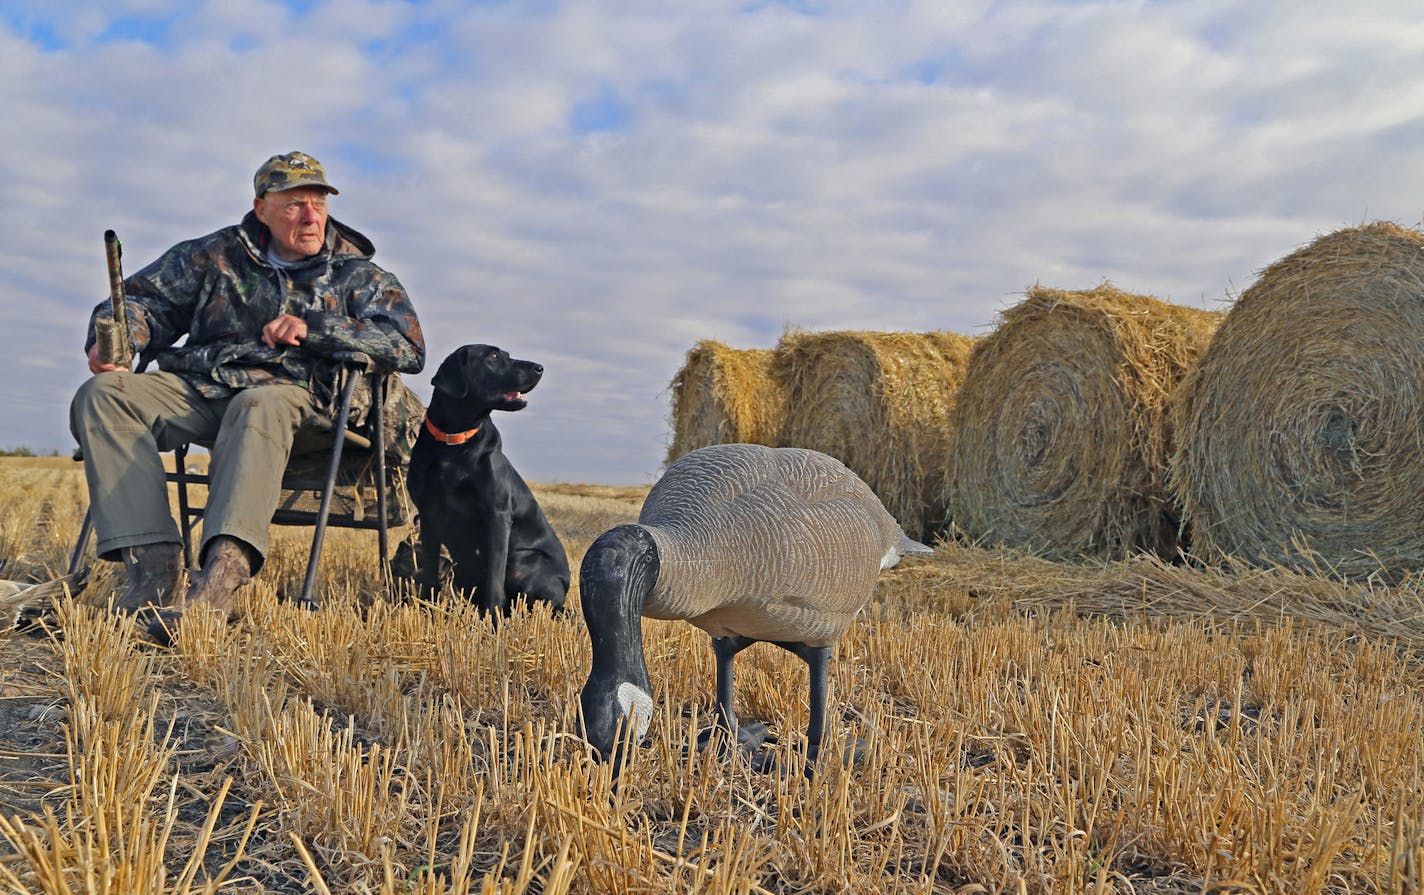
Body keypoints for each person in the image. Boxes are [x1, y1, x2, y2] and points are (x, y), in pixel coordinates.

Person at [71, 150, 425, 638]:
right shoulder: (211, 256)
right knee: (103, 395)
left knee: (257, 402)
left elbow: (407, 345)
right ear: (262, 208)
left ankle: (219, 582)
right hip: (207, 386)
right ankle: (154, 571)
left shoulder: (358, 275)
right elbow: (139, 302)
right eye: (294, 205)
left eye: (318, 204)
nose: (310, 216)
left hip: (303, 403)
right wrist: (116, 337)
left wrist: (315, 328)